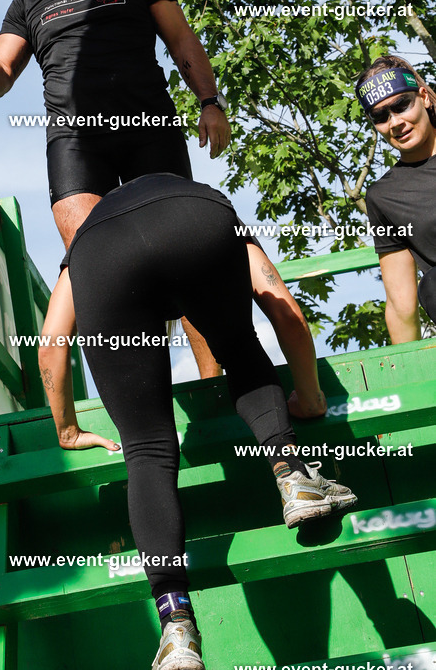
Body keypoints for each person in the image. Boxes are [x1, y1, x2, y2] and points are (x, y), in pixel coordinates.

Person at [0, 0, 327, 411]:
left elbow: (181, 40)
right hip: (76, 140)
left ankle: (209, 382)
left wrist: (210, 101)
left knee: (187, 255)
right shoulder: (29, 1)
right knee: (96, 263)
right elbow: (0, 80)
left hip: (149, 128)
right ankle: (138, 404)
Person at [38, 173, 357, 670]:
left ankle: (176, 625)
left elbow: (52, 342)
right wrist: (311, 398)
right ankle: (296, 478)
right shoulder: (204, 202)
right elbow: (286, 312)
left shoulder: (84, 242)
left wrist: (67, 430)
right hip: (198, 221)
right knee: (240, 348)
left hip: (103, 254)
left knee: (146, 448)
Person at [355, 54, 436, 340]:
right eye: (380, 117)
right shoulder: (384, 197)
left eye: (401, 105)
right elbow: (401, 303)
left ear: (423, 97)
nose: (395, 122)